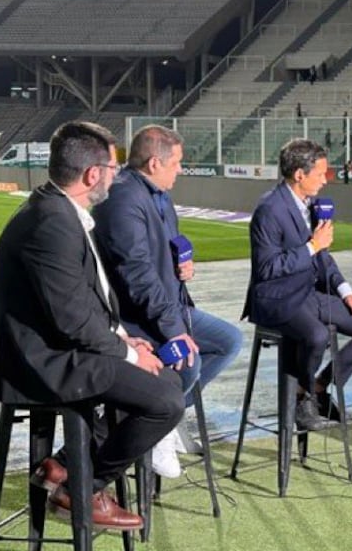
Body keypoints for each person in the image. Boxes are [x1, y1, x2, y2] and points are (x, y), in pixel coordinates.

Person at [0, 121, 183, 531]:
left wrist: (126, 340)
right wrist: (128, 353)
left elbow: (84, 306)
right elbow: (72, 319)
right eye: (113, 167)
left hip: (57, 349)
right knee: (165, 400)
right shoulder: (52, 222)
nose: (116, 174)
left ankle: (64, 467)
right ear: (93, 174)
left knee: (160, 381)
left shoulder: (58, 211)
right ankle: (83, 488)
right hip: (39, 362)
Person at [92, 125, 243, 478]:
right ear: (155, 163)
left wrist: (182, 264)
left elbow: (163, 250)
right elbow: (137, 276)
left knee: (228, 341)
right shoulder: (124, 198)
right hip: (135, 317)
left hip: (173, 304)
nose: (180, 170)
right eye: (176, 163)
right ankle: (155, 424)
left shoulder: (157, 194)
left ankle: (164, 420)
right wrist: (174, 330)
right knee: (187, 363)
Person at [243, 139, 352, 430]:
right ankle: (301, 398)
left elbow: (324, 259)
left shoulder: (311, 206)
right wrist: (311, 247)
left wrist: (346, 292)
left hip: (309, 294)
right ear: (299, 174)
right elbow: (267, 268)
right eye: (320, 174)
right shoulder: (269, 209)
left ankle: (319, 387)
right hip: (276, 298)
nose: (325, 180)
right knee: (317, 336)